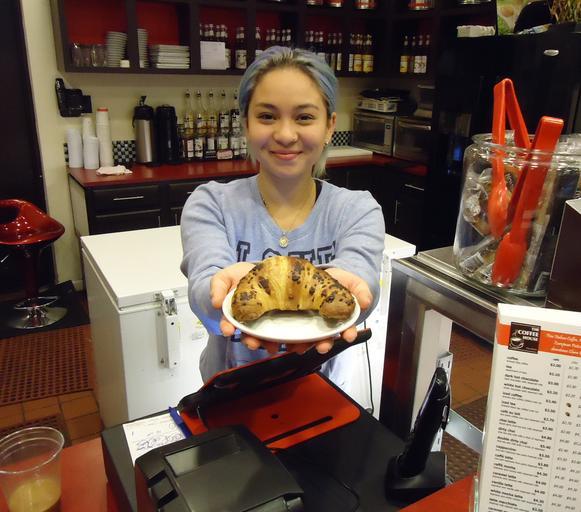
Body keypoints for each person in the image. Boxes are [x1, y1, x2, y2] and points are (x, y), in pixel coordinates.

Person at [181, 46, 385, 389]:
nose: (286, 135)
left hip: (323, 396)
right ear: (245, 124)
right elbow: (205, 296)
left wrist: (352, 295)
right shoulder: (211, 203)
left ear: (329, 126)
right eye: (267, 116)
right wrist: (221, 294)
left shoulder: (357, 209)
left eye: (304, 117)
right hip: (229, 397)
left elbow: (362, 285)